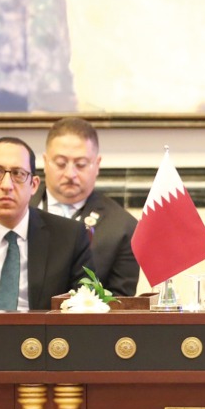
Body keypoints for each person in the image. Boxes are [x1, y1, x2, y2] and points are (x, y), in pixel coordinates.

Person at [0, 137, 93, 311]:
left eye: (18, 174)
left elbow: (86, 307)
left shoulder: (69, 237)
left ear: (34, 185)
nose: (6, 185)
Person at [34, 117, 140, 296]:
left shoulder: (122, 227)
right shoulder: (19, 208)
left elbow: (120, 303)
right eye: (60, 163)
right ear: (45, 162)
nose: (70, 174)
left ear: (97, 165)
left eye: (81, 164)